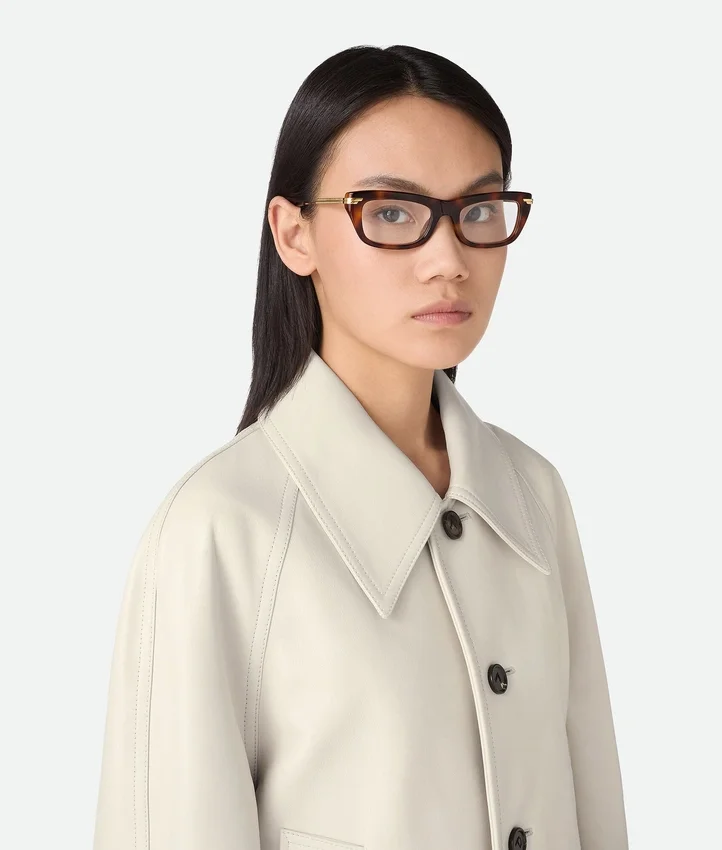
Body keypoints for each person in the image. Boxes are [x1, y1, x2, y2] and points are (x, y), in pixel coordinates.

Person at [92, 44, 629, 850]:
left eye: (479, 211)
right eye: (391, 213)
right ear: (294, 234)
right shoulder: (218, 531)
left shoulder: (533, 495)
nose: (449, 261)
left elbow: (593, 813)